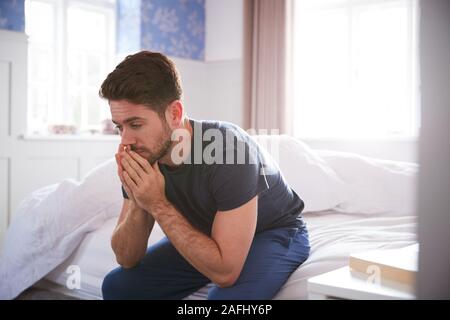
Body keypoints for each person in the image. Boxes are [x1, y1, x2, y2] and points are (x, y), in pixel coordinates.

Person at [99, 51, 310, 300]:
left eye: (135, 125)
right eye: (119, 127)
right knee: (117, 287)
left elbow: (225, 274)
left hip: (274, 231)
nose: (126, 141)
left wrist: (158, 204)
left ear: (175, 114)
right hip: (209, 236)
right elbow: (126, 258)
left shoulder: (228, 150)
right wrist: (138, 198)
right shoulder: (144, 154)